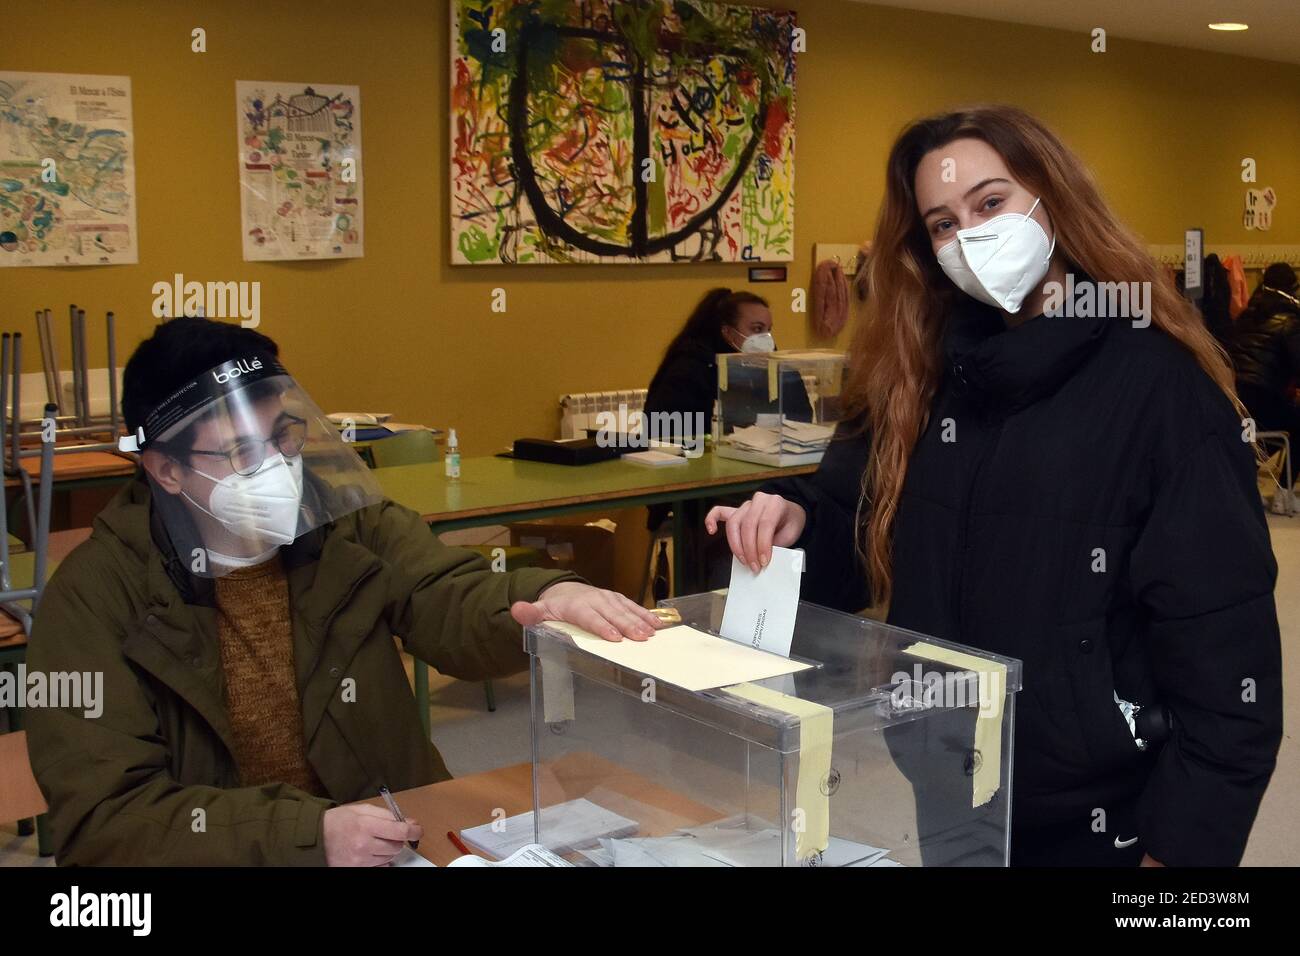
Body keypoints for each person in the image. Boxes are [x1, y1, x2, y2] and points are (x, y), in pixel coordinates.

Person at [706, 105, 1282, 867]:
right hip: (947, 780)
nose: (969, 236)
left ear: (1055, 200)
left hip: (1102, 813)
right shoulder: (916, 375)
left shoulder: (1159, 392)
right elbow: (855, 537)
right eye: (942, 223)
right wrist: (792, 523)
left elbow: (1229, 671)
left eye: (990, 203)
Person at [25, 317, 661, 866]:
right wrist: (306, 837)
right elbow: (107, 818)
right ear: (165, 469)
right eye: (244, 451)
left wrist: (541, 598)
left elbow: (441, 590)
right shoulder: (94, 600)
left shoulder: (344, 525)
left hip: (396, 836)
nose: (278, 466)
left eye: (284, 437)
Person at [1228, 261, 1300, 457]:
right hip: (1266, 401)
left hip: (1237, 403)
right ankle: (1284, 487)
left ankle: (1256, 461)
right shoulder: (1290, 321)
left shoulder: (1245, 315)